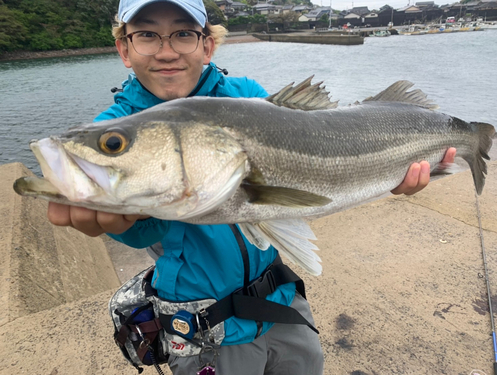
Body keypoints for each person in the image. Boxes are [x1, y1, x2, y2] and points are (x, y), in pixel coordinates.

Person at [46, 0, 457, 374]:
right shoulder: (114, 126)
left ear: (207, 46)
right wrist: (123, 220)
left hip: (280, 300)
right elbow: (149, 229)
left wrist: (387, 173)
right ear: (124, 49)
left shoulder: (248, 97)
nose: (166, 50)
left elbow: (307, 149)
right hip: (204, 325)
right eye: (147, 34)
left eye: (184, 33)